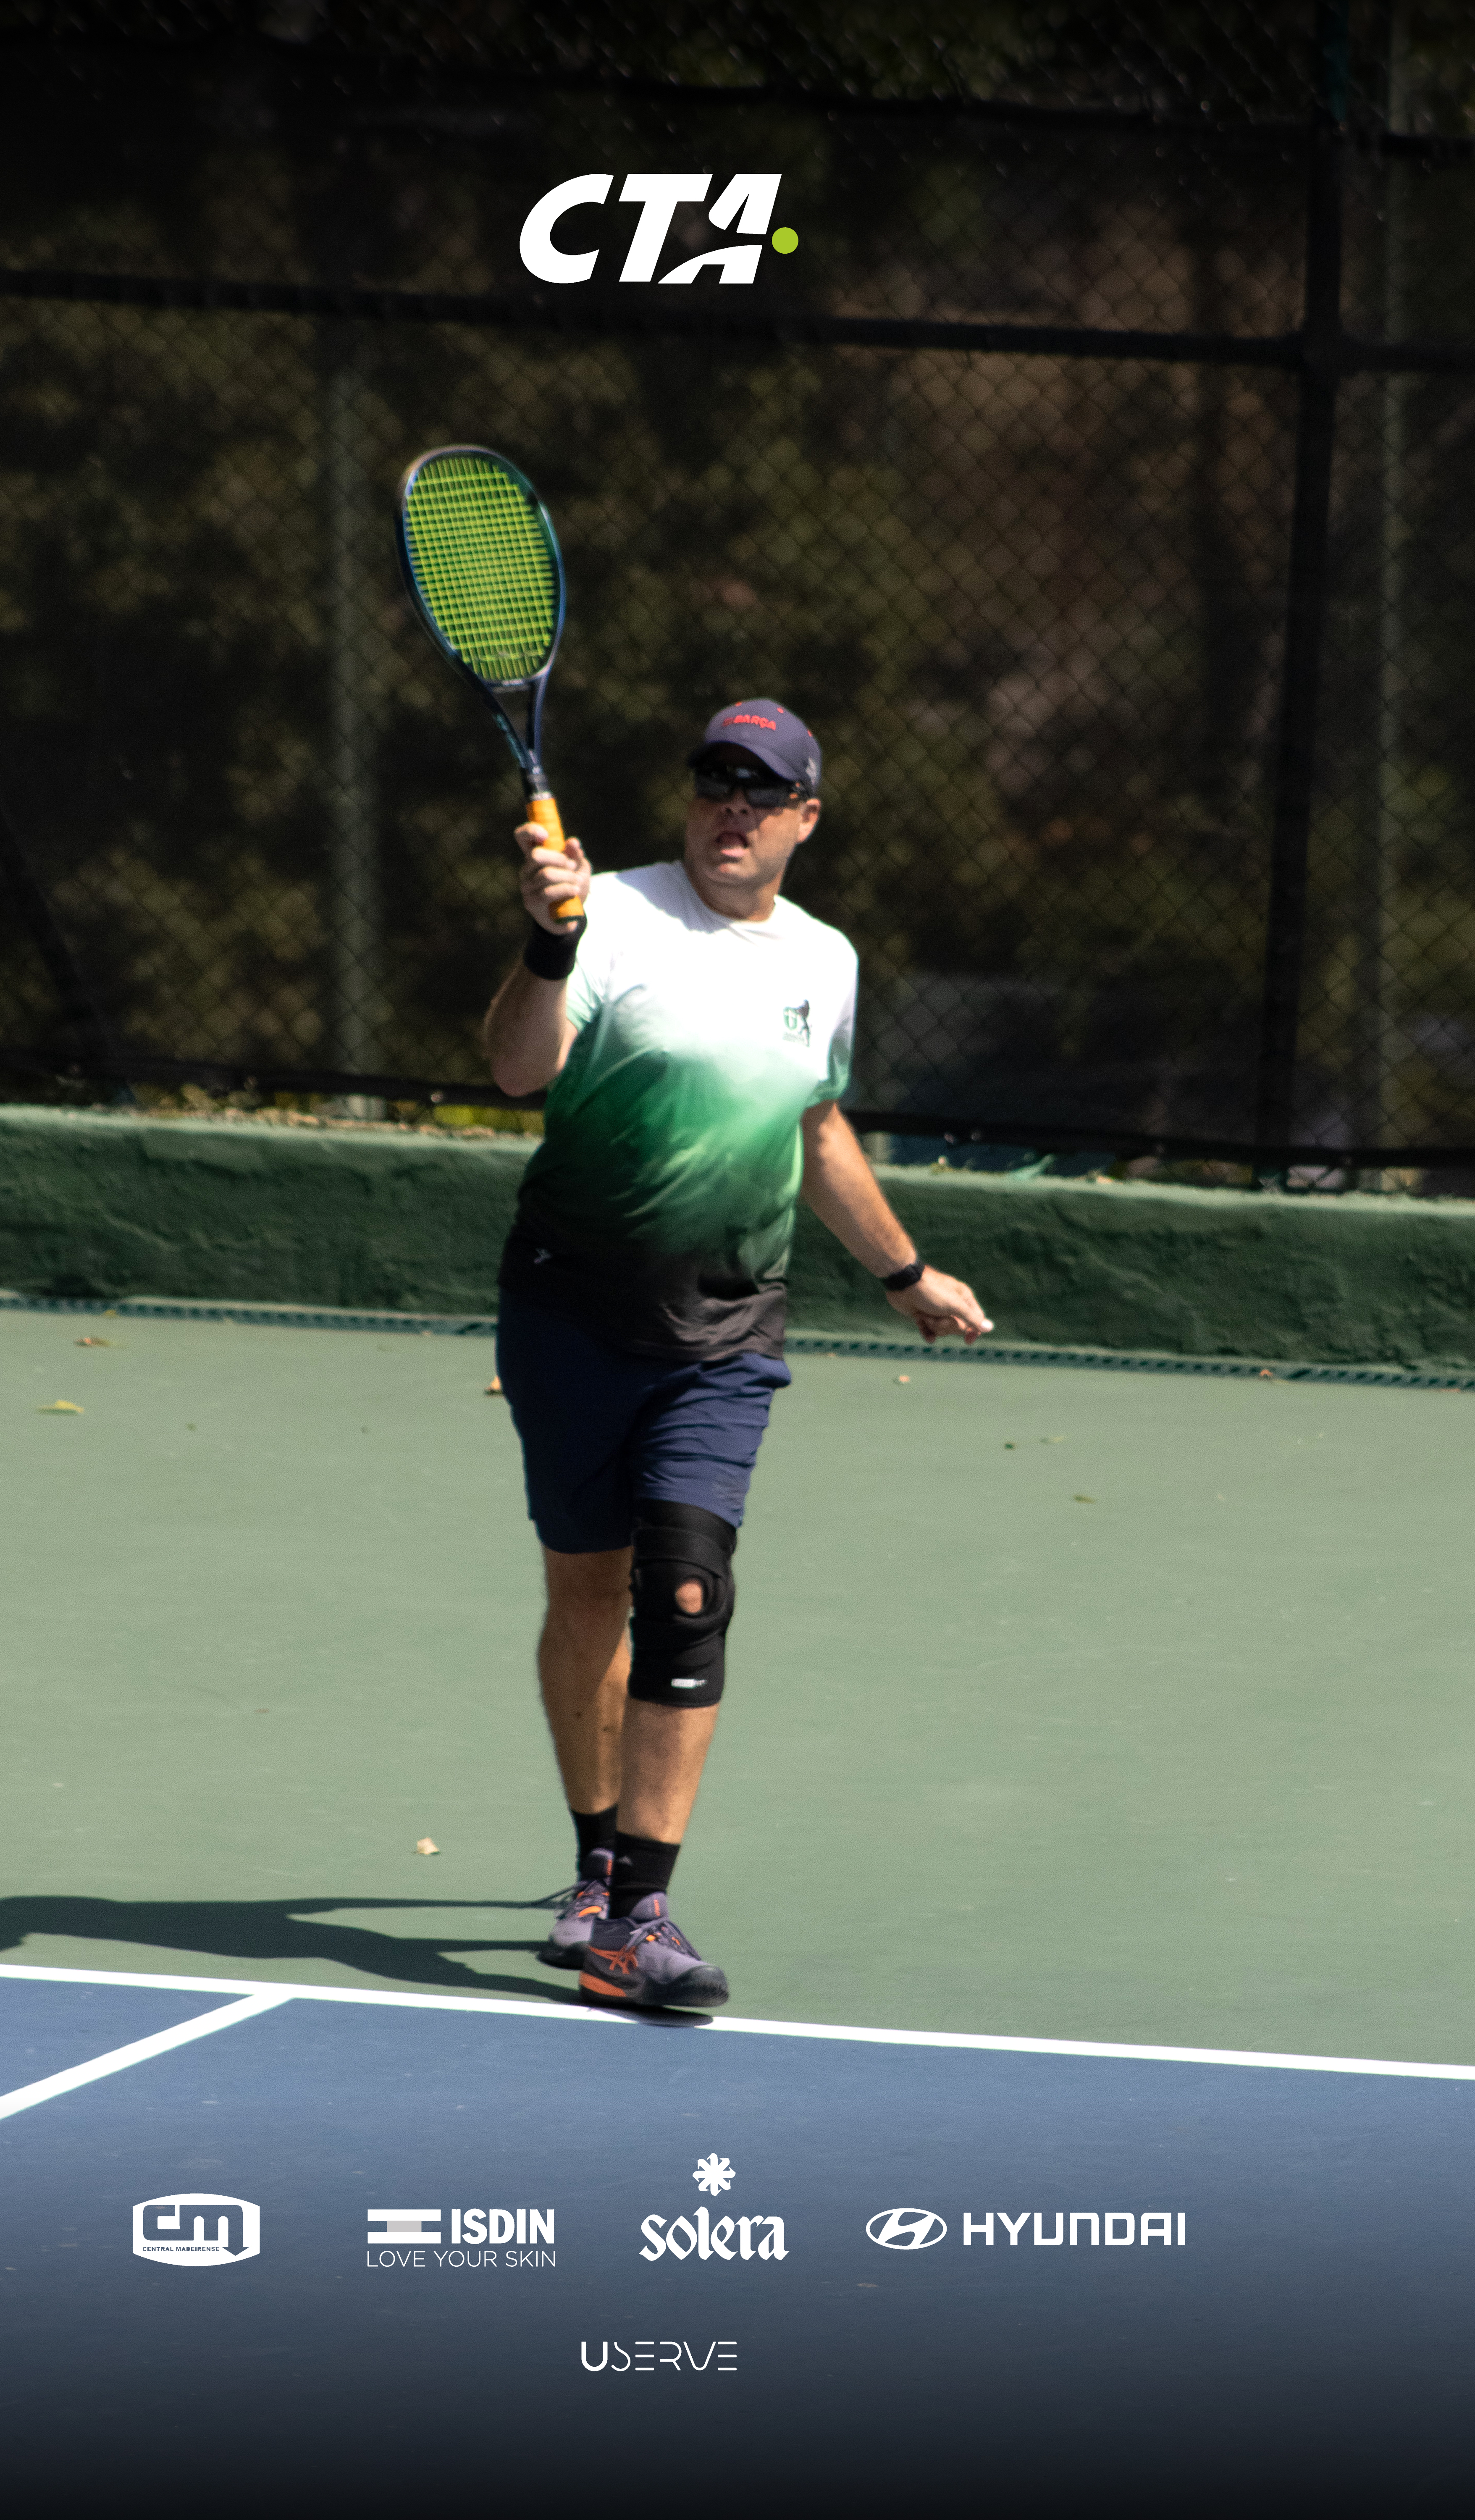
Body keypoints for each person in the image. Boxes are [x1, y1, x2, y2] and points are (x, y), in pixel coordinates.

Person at [483, 699, 991, 2010]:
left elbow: (815, 1129)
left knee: (689, 1589)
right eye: (717, 783)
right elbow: (515, 1073)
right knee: (586, 1589)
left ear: (805, 821)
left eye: (764, 793)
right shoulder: (612, 916)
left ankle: (639, 1918)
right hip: (571, 1314)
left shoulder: (826, 960)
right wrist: (550, 946)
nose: (735, 810)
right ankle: (595, 1868)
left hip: (724, 1332)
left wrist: (902, 1271)